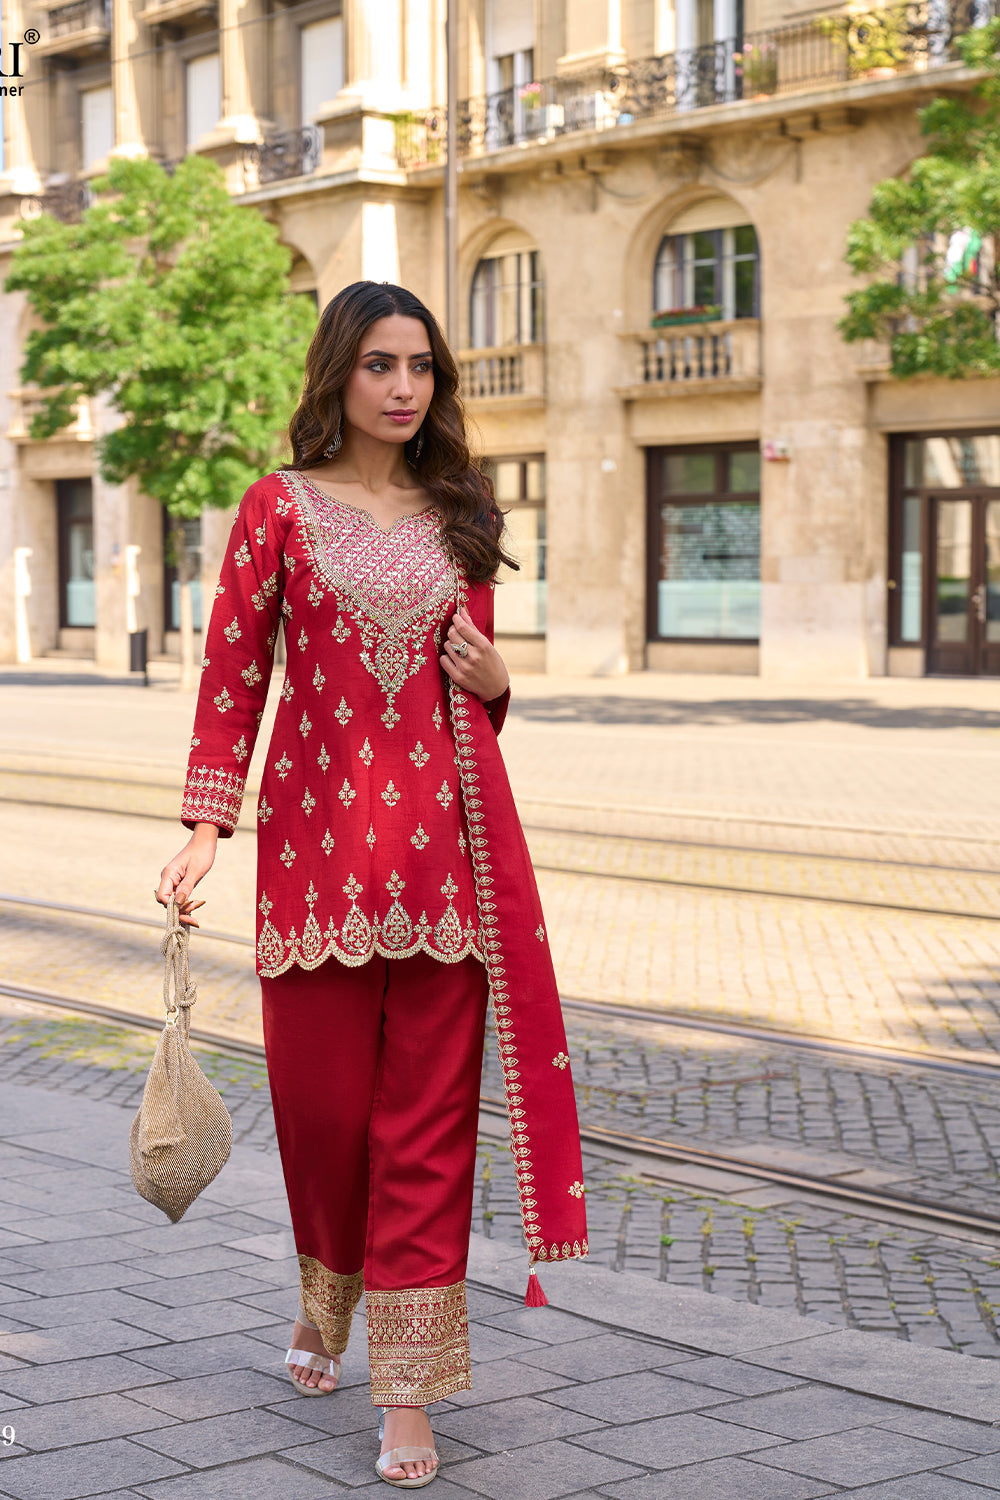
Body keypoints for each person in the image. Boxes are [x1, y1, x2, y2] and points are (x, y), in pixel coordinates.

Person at [156, 281, 587, 1489]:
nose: (406, 387)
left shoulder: (461, 513)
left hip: (445, 865)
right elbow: (235, 671)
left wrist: (501, 678)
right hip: (314, 862)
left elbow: (476, 701)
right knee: (329, 1119)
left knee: (426, 1133)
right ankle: (323, 1300)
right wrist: (205, 825)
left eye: (423, 368)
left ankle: (408, 1391)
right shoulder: (277, 509)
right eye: (382, 365)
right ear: (338, 373)